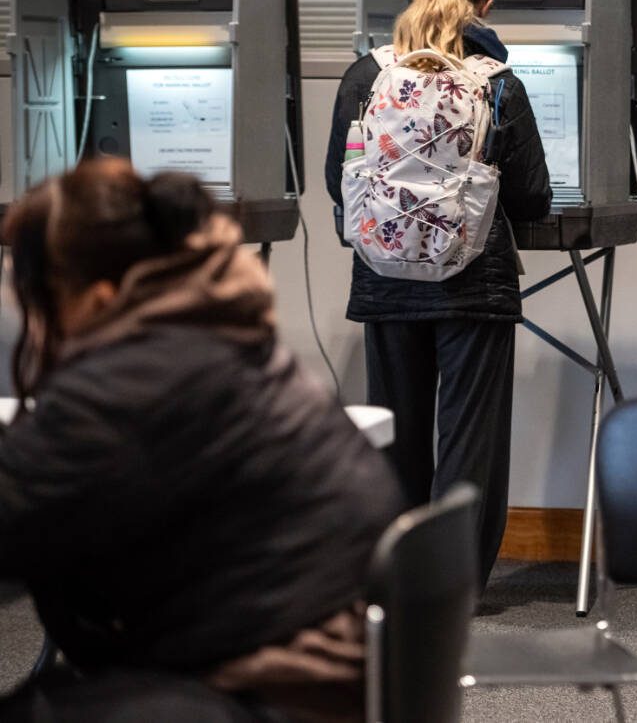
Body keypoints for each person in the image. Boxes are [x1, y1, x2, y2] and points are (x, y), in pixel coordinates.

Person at [0, 159, 405, 721]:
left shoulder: (134, 380)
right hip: (339, 660)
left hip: (283, 685)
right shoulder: (217, 335)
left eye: (35, 299)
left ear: (94, 297)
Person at [325, 0, 551, 589]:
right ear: (486, 5)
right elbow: (533, 195)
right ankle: (453, 584)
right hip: (473, 279)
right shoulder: (498, 84)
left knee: (396, 431)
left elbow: (338, 184)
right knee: (468, 436)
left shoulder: (363, 76)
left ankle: (395, 577)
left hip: (384, 278)